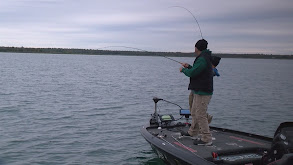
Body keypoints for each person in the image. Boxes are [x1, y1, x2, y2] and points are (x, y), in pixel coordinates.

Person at [179, 39, 213, 146]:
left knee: (201, 114)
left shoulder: (202, 59)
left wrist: (183, 70)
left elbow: (193, 73)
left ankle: (206, 138)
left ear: (197, 48)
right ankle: (193, 132)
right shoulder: (203, 58)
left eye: (195, 47)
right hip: (198, 90)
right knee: (194, 111)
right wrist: (188, 66)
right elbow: (197, 70)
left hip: (203, 91)